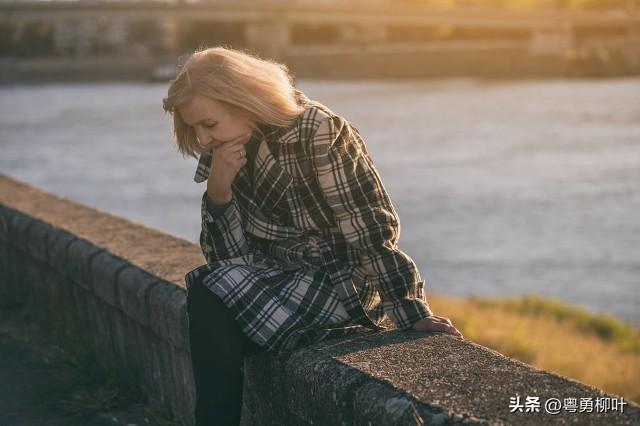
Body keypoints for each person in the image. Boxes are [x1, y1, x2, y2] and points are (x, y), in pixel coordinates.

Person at [162, 46, 463, 426]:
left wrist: (410, 310)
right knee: (209, 296)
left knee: (208, 296)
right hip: (278, 282)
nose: (202, 139)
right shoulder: (226, 148)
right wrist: (219, 194)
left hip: (340, 283)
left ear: (245, 101)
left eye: (209, 124)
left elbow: (367, 228)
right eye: (195, 128)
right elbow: (228, 264)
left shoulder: (318, 130)